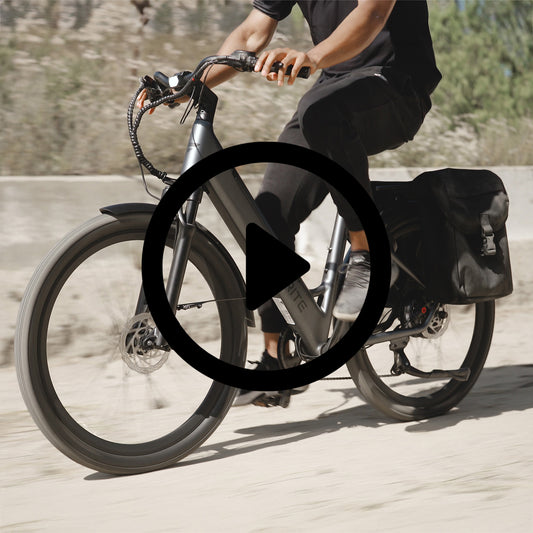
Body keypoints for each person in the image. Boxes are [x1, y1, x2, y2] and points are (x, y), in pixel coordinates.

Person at [138, 0, 441, 406]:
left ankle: (369, 256)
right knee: (264, 222)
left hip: (396, 85)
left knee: (325, 118)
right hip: (332, 90)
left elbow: (372, 15)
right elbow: (250, 35)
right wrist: (193, 83)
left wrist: (313, 56)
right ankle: (278, 358)